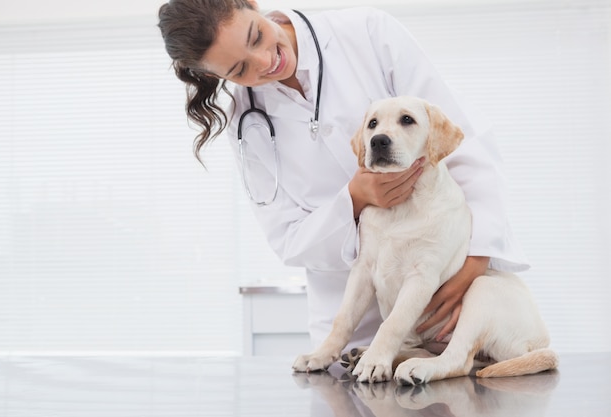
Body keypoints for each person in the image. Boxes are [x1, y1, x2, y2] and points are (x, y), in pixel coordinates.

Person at [157, 0, 529, 350]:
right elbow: (288, 238)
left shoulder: (368, 34)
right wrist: (355, 198)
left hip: (451, 295)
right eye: (238, 70)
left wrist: (476, 261)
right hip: (353, 327)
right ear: (211, 75)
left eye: (256, 36)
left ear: (253, 3)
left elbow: (457, 141)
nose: (265, 61)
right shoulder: (247, 122)